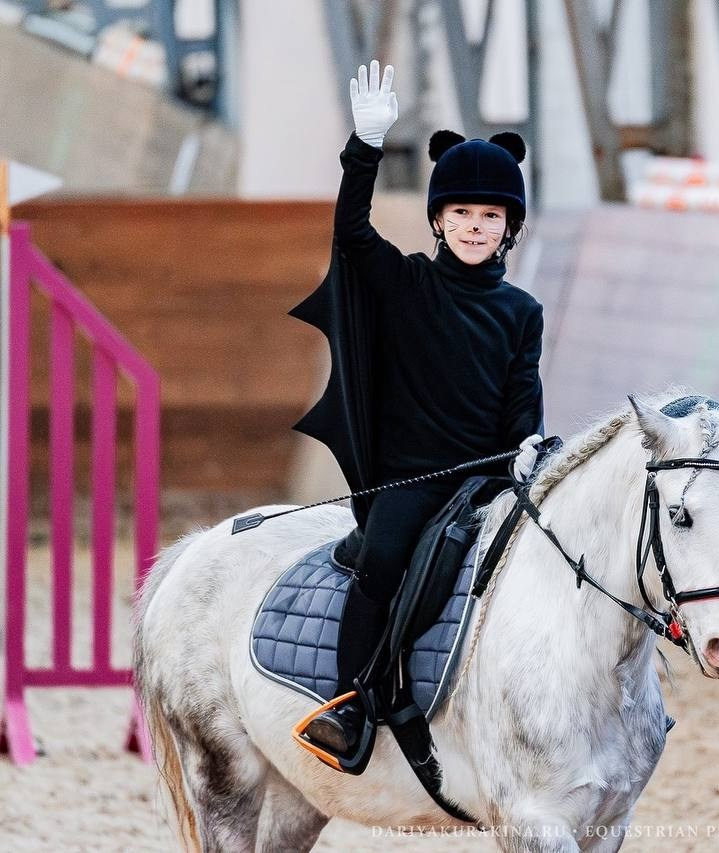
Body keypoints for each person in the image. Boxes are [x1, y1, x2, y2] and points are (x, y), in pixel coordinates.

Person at [292, 60, 546, 763]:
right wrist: (365, 148)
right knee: (384, 562)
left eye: (489, 215)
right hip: (408, 481)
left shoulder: (522, 312)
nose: (474, 226)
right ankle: (348, 701)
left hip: (487, 481)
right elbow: (349, 232)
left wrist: (527, 452)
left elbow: (522, 403)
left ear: (508, 227)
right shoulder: (405, 283)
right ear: (438, 219)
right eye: (460, 213)